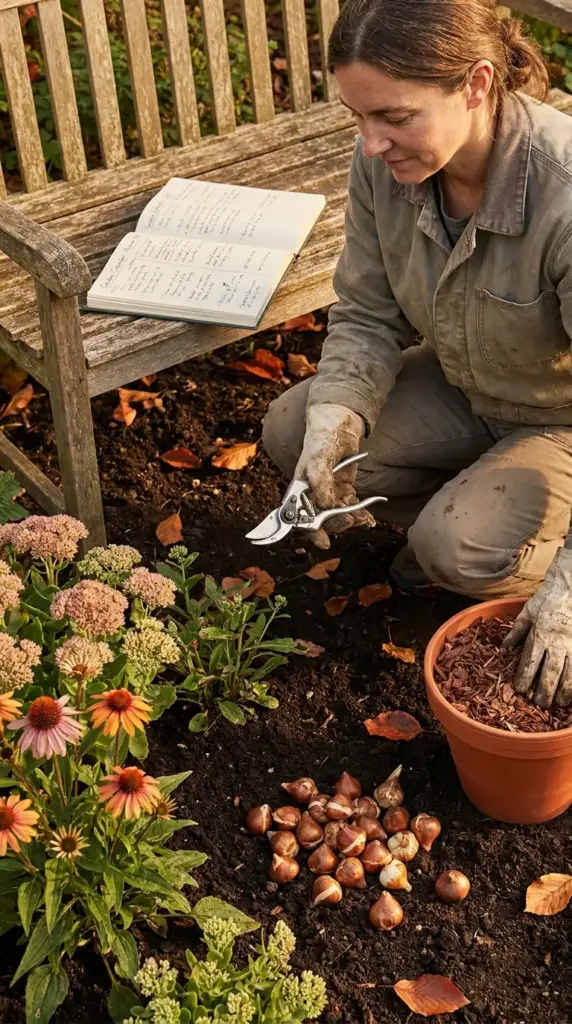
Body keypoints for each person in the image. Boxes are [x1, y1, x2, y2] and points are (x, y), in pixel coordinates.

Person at [262, 0, 572, 710]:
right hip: (472, 385)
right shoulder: (385, 165)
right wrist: (332, 428)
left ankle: (498, 552)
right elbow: (367, 313)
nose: (372, 143)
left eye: (395, 118)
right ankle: (474, 525)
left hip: (562, 419)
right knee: (295, 427)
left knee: (455, 548)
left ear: (476, 84)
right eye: (357, 117)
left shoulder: (564, 198)